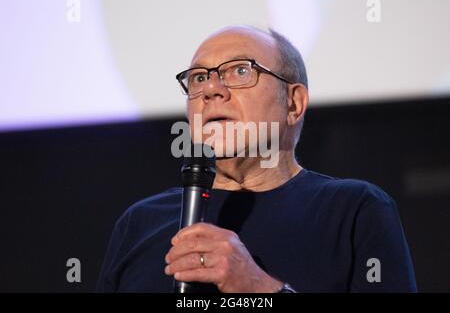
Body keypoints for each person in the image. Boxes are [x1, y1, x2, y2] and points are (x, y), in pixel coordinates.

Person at [96, 26, 417, 292]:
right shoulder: (140, 223)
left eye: (239, 71)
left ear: (293, 103)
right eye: (198, 78)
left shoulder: (354, 210)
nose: (211, 90)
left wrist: (259, 289)